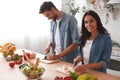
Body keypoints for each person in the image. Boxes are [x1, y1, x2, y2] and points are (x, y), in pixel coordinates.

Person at [73, 10, 112, 74]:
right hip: (84, 73)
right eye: (86, 22)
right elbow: (81, 54)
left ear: (97, 21)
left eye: (91, 21)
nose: (89, 24)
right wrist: (79, 57)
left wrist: (86, 66)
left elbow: (104, 62)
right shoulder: (83, 38)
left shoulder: (106, 39)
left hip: (98, 74)